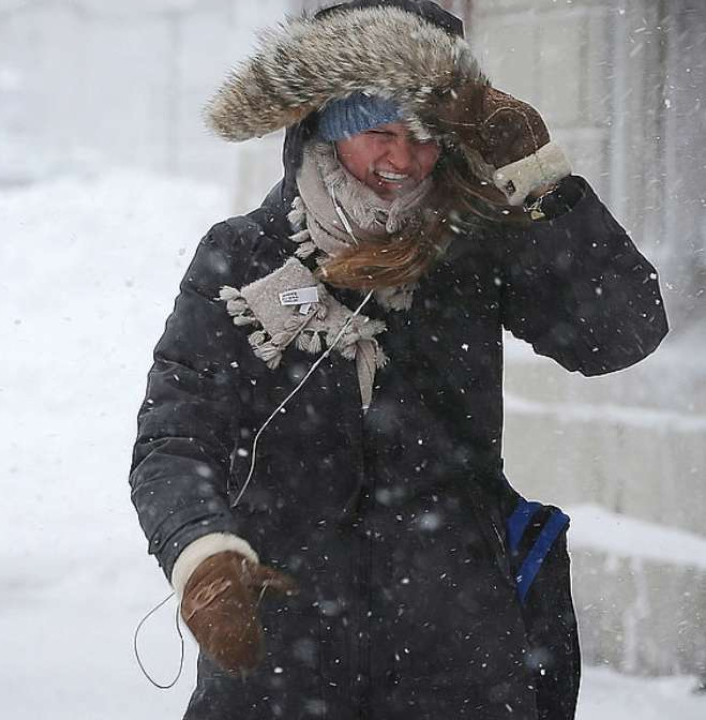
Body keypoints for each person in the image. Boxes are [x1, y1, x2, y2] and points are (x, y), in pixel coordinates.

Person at [128, 2, 667, 718]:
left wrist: (540, 179)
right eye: (379, 132)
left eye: (424, 138)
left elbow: (619, 333)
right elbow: (176, 435)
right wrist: (199, 553)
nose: (403, 161)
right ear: (324, 123)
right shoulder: (245, 253)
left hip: (458, 648)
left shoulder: (476, 246)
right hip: (283, 651)